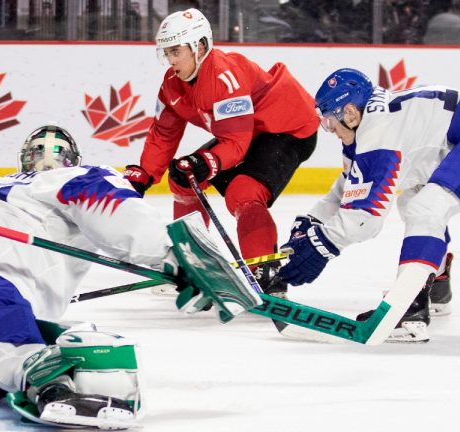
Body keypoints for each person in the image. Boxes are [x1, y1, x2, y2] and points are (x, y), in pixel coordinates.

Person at [0, 124, 257, 429]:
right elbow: (112, 209)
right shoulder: (77, 177)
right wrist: (176, 258)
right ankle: (45, 377)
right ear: (71, 159)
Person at [277, 67, 460, 343]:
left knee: (425, 208)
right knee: (412, 199)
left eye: (330, 122)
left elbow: (365, 218)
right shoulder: (369, 122)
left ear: (350, 112)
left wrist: (322, 245)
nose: (330, 130)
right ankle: (435, 284)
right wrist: (313, 221)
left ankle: (409, 310)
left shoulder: (378, 131)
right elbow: (349, 188)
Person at [123, 8, 320, 298]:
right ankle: (191, 259)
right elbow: (164, 133)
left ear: (200, 47)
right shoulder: (171, 85)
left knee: (243, 191)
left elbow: (236, 142)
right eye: (167, 52)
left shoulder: (225, 75)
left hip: (288, 127)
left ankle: (265, 272)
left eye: (176, 51)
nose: (171, 60)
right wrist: (145, 175)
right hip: (248, 132)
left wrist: (209, 162)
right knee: (182, 177)